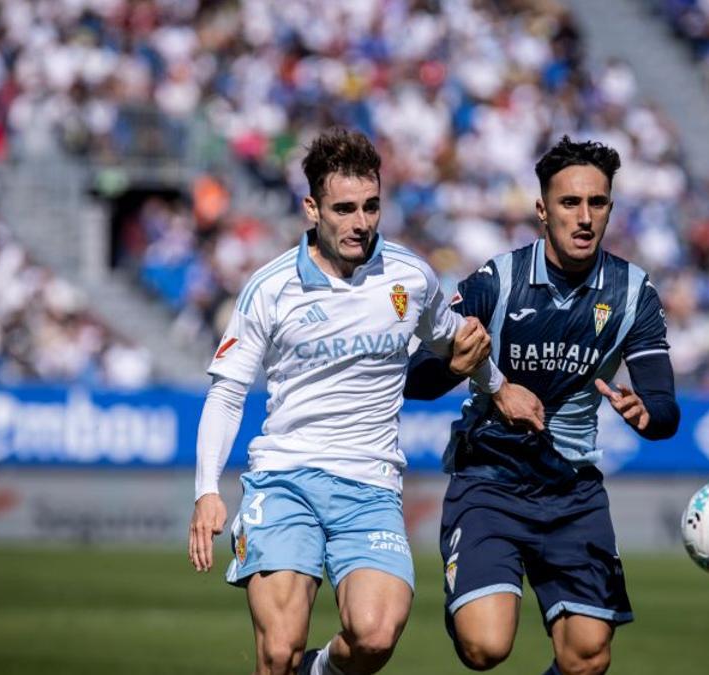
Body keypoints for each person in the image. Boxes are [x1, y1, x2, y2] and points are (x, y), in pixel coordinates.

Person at [187, 128, 542, 675]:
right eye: (345, 208)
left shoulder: (410, 276)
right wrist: (207, 489)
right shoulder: (270, 287)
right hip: (286, 478)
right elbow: (228, 391)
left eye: (371, 206)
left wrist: (499, 386)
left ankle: (320, 670)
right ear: (312, 208)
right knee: (278, 650)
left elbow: (455, 340)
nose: (361, 222)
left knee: (375, 635)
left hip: (371, 486)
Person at [404, 136, 681, 675]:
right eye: (569, 203)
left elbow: (664, 404)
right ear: (542, 210)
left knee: (587, 657)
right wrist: (459, 366)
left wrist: (649, 415)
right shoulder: (497, 281)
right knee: (485, 647)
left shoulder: (632, 293)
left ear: (610, 209)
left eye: (596, 203)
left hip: (571, 491)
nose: (584, 217)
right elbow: (416, 378)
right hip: (490, 480)